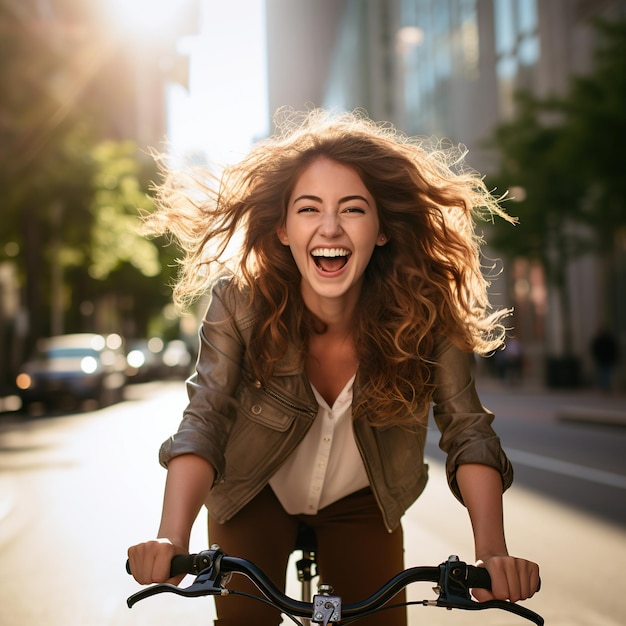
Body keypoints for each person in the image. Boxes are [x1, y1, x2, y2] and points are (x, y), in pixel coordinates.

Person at [127, 108, 540, 625]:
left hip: (362, 500)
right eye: (308, 209)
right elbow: (205, 417)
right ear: (282, 229)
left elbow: (467, 428)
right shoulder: (239, 303)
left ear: (382, 229)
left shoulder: (427, 312)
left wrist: (492, 551)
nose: (330, 228)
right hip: (255, 491)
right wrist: (171, 536)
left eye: (352, 210)